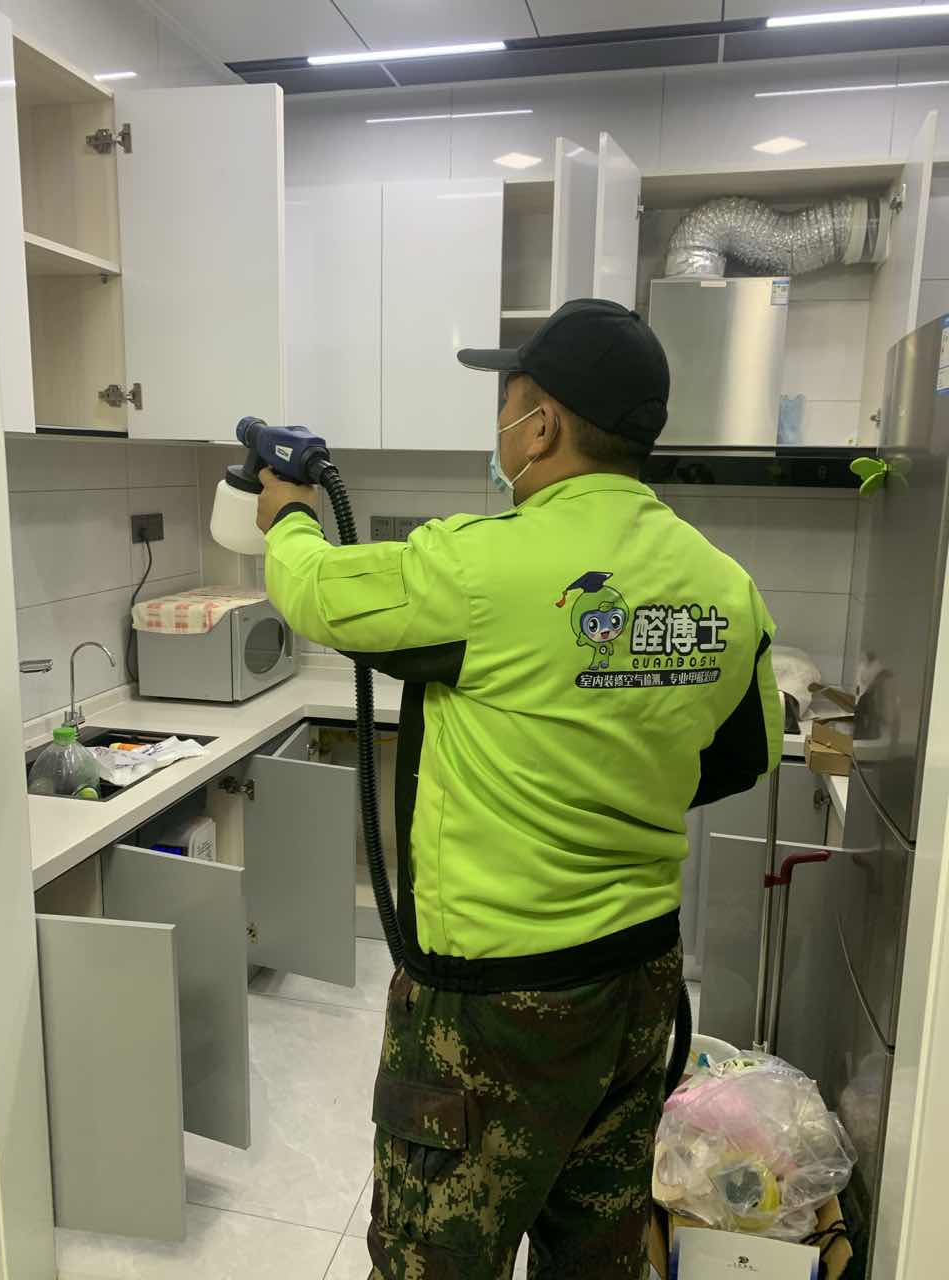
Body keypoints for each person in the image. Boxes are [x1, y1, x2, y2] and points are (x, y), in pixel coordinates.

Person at [256, 298, 783, 1280]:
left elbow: (317, 591)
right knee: (594, 1253)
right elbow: (742, 755)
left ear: (541, 426)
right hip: (636, 985)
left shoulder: (479, 563)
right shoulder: (725, 587)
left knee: (435, 1259)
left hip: (493, 1005)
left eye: (508, 402)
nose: (501, 425)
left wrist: (285, 512)